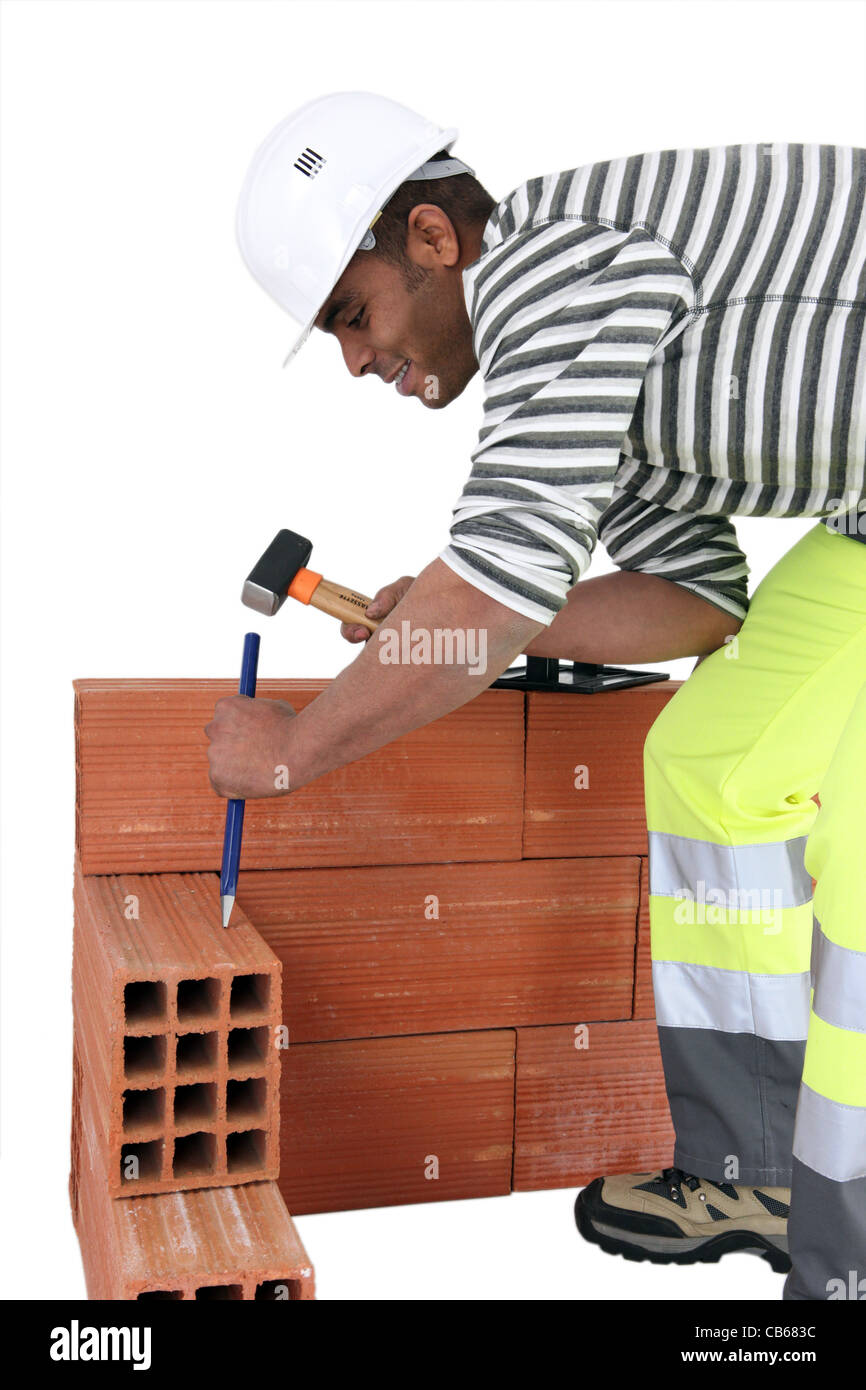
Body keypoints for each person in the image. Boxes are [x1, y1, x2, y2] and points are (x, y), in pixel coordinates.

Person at [207, 92, 866, 1300]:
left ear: (433, 238)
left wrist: (297, 744)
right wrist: (448, 621)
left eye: (352, 316)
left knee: (859, 848)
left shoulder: (557, 271)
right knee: (711, 760)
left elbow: (498, 579)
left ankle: (849, 1247)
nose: (356, 360)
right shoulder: (576, 363)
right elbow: (694, 597)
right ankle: (755, 1168)